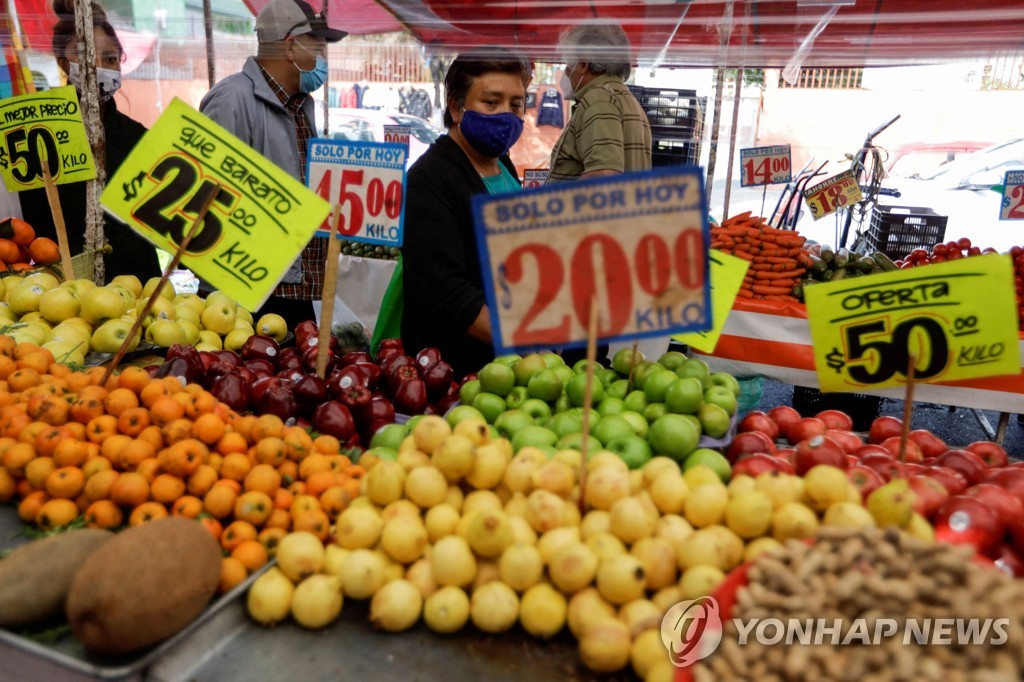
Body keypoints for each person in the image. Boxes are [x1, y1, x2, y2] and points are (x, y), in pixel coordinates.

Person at [199, 0, 346, 328]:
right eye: (318, 45)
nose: (323, 56)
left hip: (296, 289)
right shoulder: (232, 100)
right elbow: (205, 199)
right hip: (245, 295)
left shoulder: (302, 105)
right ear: (292, 46)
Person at [399, 49, 530, 380]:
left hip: (513, 366)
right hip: (457, 372)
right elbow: (446, 294)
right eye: (491, 102)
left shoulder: (503, 163)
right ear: (457, 107)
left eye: (516, 104)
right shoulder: (429, 179)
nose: (507, 115)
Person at [19, 0, 161, 283]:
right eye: (85, 57)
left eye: (109, 59)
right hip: (62, 292)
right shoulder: (33, 138)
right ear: (63, 64)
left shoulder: (140, 139)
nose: (98, 68)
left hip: (138, 286)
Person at [546, 22, 652, 183]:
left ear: (583, 64)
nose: (566, 72)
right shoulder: (627, 100)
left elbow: (603, 175)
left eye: (568, 64)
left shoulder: (599, 99)